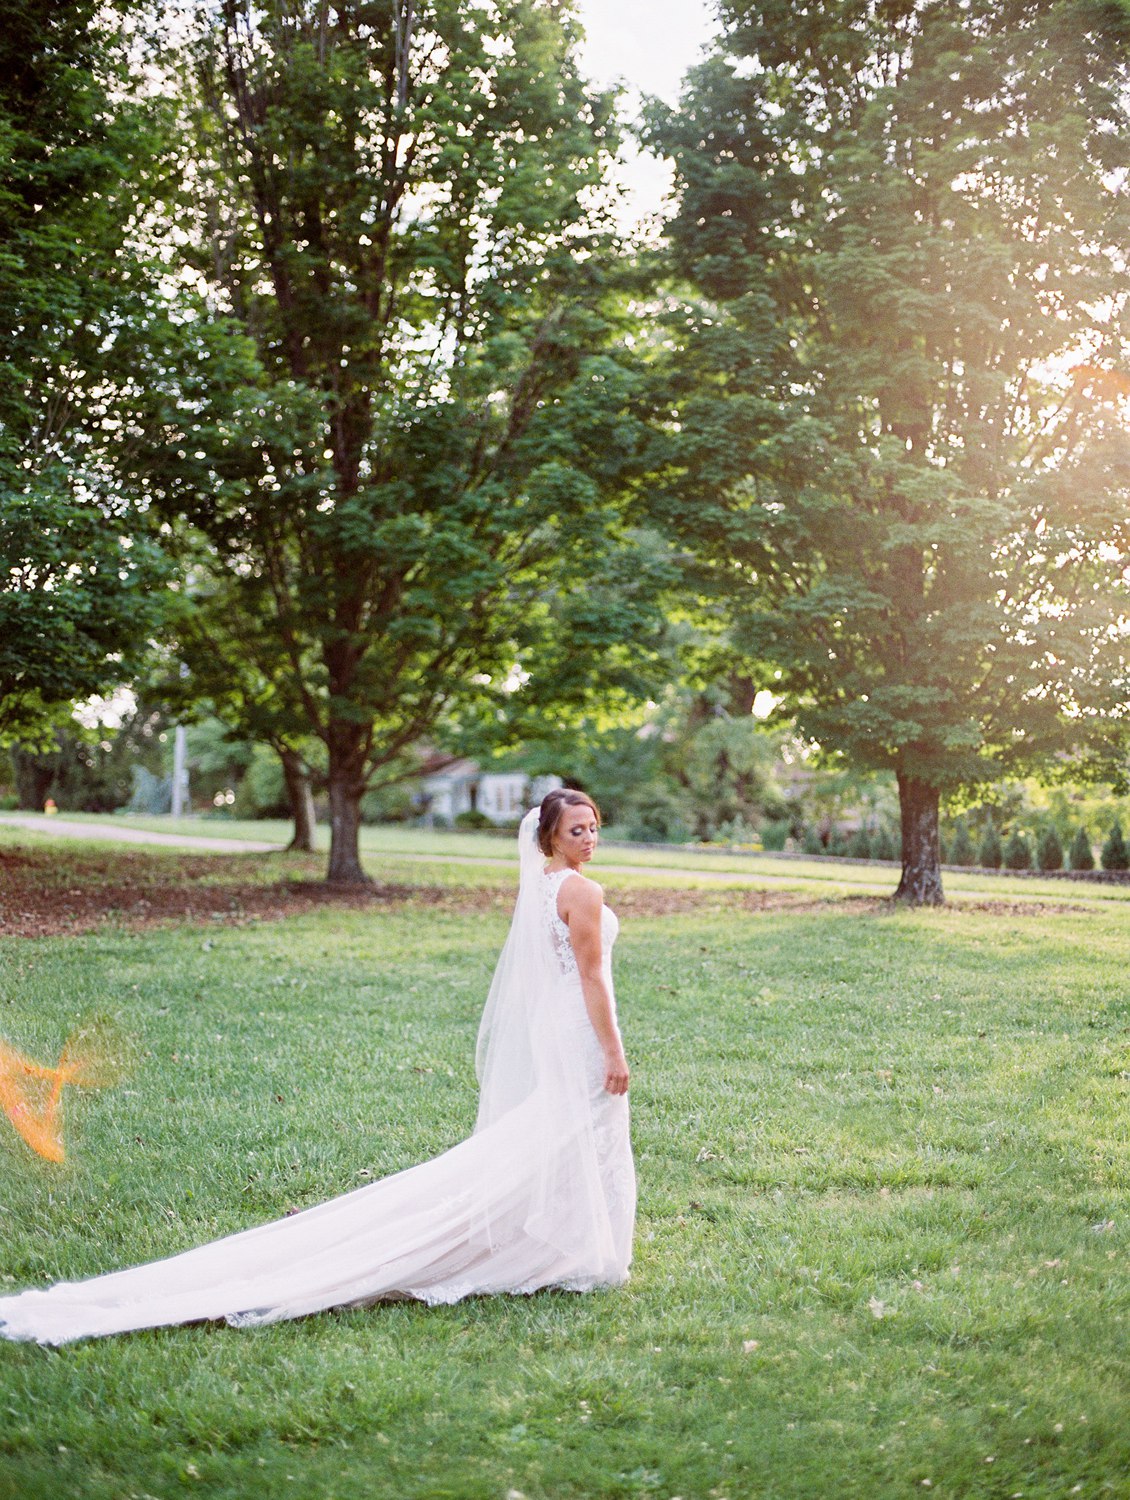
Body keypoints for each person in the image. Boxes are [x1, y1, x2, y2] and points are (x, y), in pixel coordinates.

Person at [0, 792, 634, 1345]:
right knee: (575, 1129)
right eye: (576, 828)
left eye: (594, 826)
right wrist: (613, 1050)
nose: (589, 837)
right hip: (579, 1027)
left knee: (563, 1133)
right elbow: (590, 976)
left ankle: (569, 1243)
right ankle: (566, 1249)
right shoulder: (580, 890)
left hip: (559, 1023)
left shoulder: (545, 887)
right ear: (549, 834)